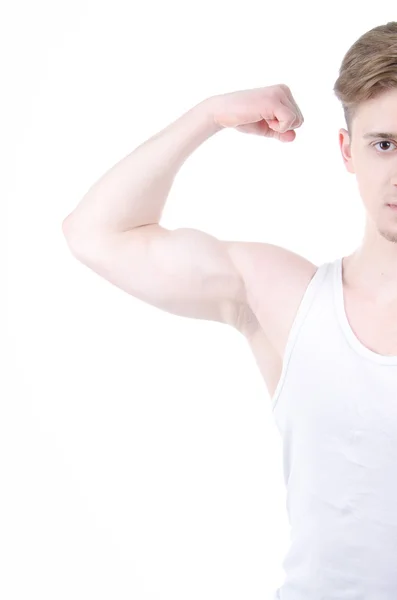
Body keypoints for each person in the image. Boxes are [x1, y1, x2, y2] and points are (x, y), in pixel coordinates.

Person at [62, 20, 397, 600]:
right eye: (384, 144)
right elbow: (96, 234)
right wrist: (208, 115)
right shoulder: (286, 297)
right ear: (348, 151)